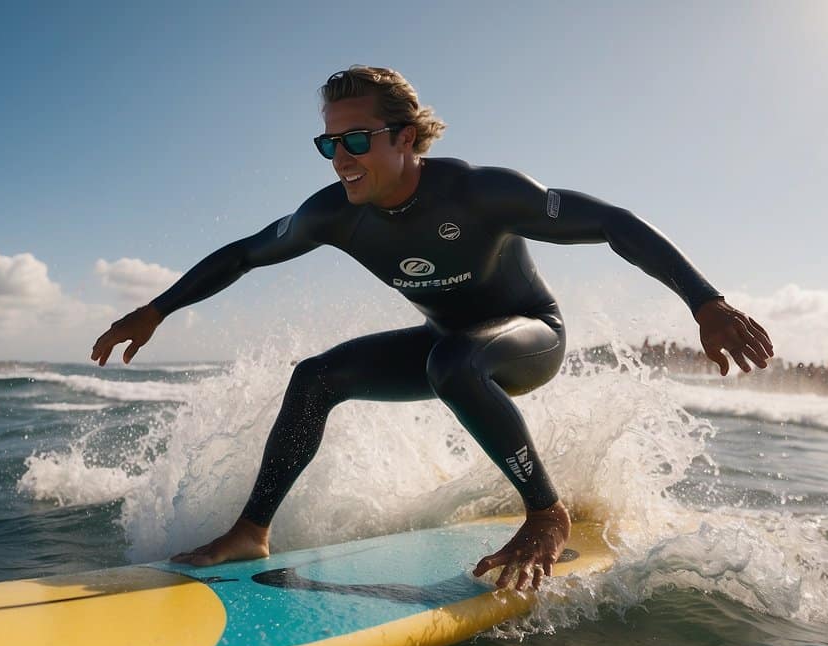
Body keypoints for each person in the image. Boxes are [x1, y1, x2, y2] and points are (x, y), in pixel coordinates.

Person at [90, 66, 774, 590]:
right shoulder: (335, 213)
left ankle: (546, 512)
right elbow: (244, 253)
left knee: (454, 363)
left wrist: (705, 302)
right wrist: (156, 310)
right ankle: (251, 531)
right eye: (329, 141)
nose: (341, 156)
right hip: (450, 343)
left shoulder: (478, 191)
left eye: (357, 139)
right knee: (317, 377)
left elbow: (611, 222)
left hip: (530, 338)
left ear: (405, 138)